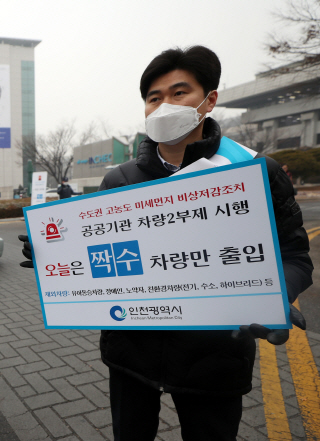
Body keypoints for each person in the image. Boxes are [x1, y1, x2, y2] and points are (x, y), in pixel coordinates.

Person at [19, 46, 313, 441]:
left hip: (215, 359)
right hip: (131, 356)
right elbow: (99, 254)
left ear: (209, 100)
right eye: (153, 98)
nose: (163, 106)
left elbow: (295, 254)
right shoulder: (119, 181)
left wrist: (279, 294)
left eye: (179, 93)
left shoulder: (255, 171)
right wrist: (54, 257)